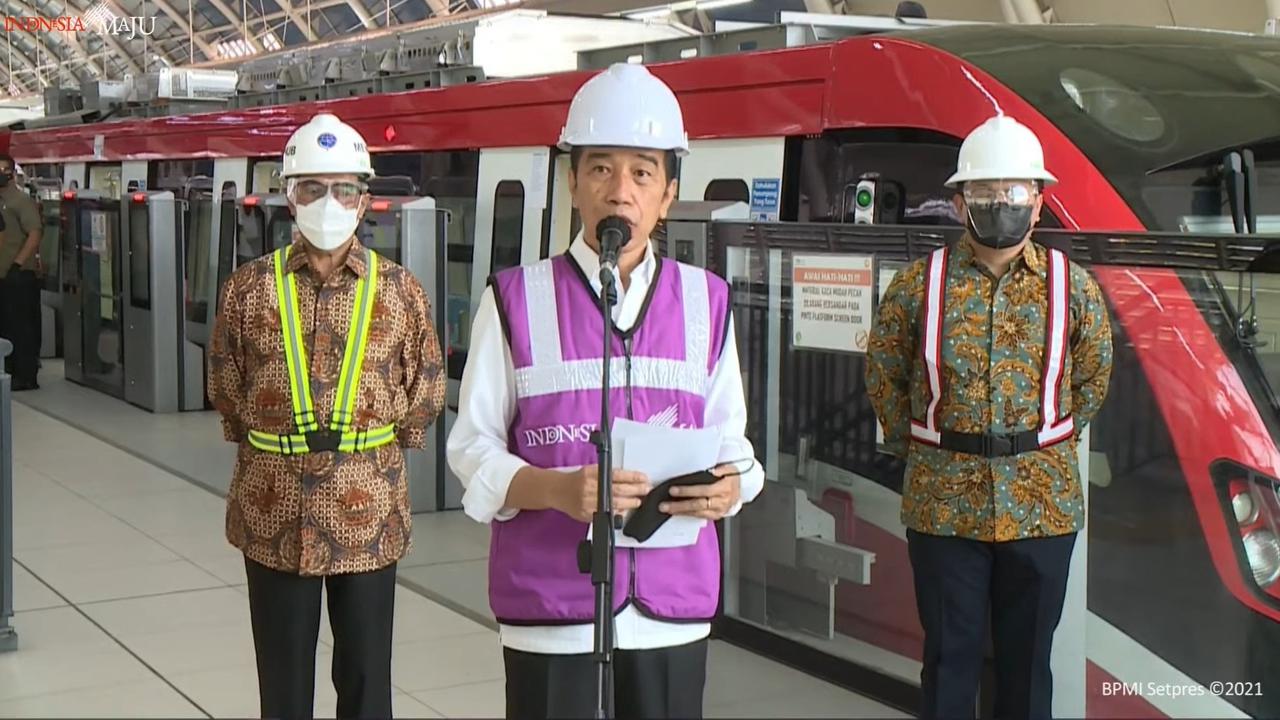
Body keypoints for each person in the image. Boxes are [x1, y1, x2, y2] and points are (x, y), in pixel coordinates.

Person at [446, 62, 765, 720]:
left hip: (670, 612)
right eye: (600, 168)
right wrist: (557, 490)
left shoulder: (707, 302)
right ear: (572, 183)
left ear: (668, 194)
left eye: (642, 172)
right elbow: (472, 447)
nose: (621, 190)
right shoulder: (514, 299)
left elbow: (735, 442)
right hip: (551, 608)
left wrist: (733, 486)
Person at [866, 114, 1114, 720]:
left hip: (1042, 502)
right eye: (985, 192)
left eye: (1015, 192)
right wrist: (928, 446)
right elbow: (884, 376)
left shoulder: (1073, 289)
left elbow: (1093, 378)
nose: (1001, 204)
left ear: (1038, 203)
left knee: (1028, 666)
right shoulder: (917, 286)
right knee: (950, 659)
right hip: (943, 503)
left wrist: (1039, 442)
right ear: (958, 203)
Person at [207, 112, 447, 720]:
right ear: (289, 194)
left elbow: (427, 381)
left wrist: (381, 441)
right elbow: (225, 380)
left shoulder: (400, 291)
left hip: (368, 512)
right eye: (312, 187)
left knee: (367, 679)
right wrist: (271, 437)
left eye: (344, 189)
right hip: (272, 508)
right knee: (282, 683)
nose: (328, 202)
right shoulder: (248, 289)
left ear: (365, 200)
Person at [0, 153, 44, 390]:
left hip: (19, 275)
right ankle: (8, 369)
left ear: (10, 172)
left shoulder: (20, 201)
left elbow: (35, 233)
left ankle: (26, 375)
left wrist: (18, 264)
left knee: (21, 326)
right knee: (6, 325)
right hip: (2, 275)